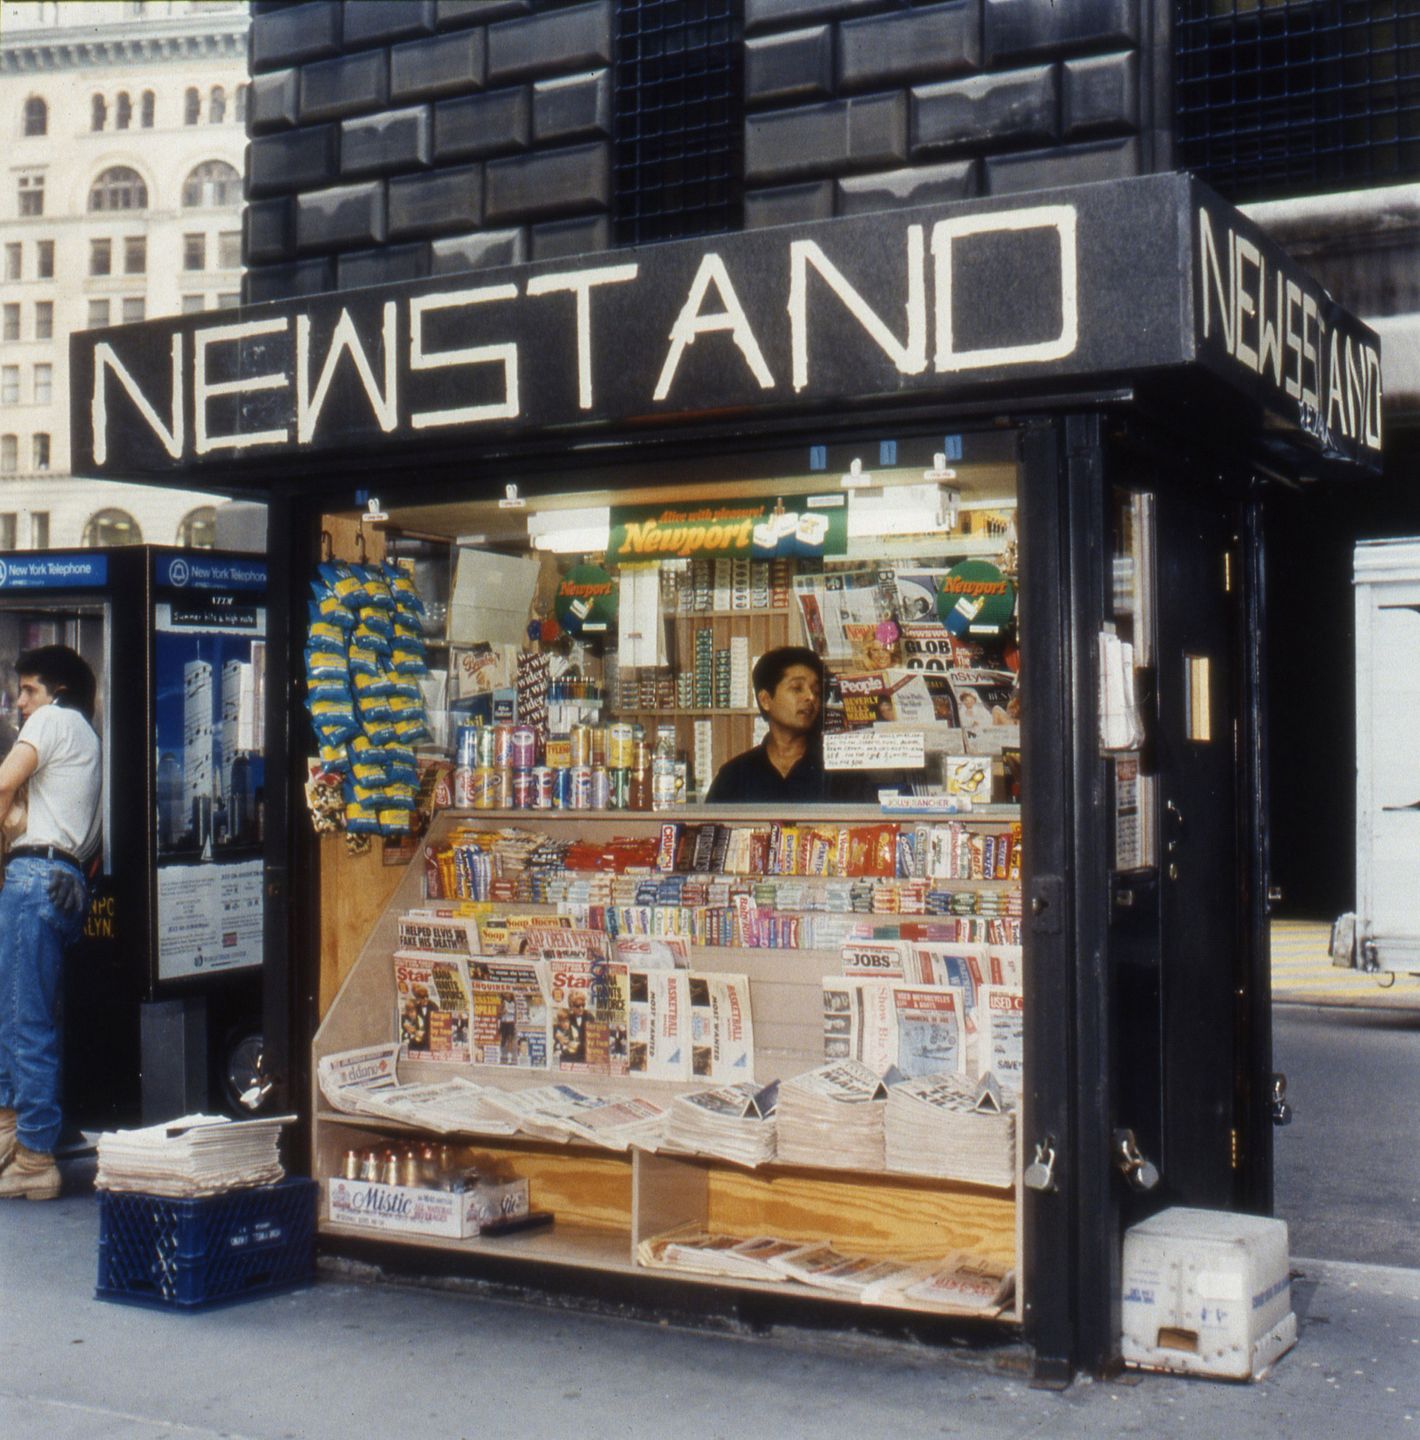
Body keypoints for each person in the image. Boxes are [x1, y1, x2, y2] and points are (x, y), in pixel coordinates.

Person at [0, 646, 102, 1201]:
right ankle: (12, 1135)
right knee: (24, 1013)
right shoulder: (87, 736)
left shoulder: (53, 720)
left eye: (29, 689)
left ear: (55, 694)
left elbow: (1, 784)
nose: (20, 702)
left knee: (21, 1020)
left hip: (32, 876)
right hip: (61, 880)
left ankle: (34, 1154)